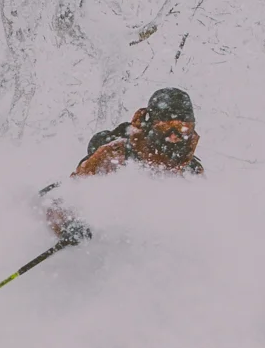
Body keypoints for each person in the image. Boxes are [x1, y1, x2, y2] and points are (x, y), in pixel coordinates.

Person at [43, 87, 204, 243]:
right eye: (165, 127)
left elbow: (204, 217)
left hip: (157, 262)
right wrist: (69, 224)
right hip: (105, 255)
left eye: (183, 128)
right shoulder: (116, 154)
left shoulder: (191, 170)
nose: (174, 136)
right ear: (151, 124)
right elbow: (67, 196)